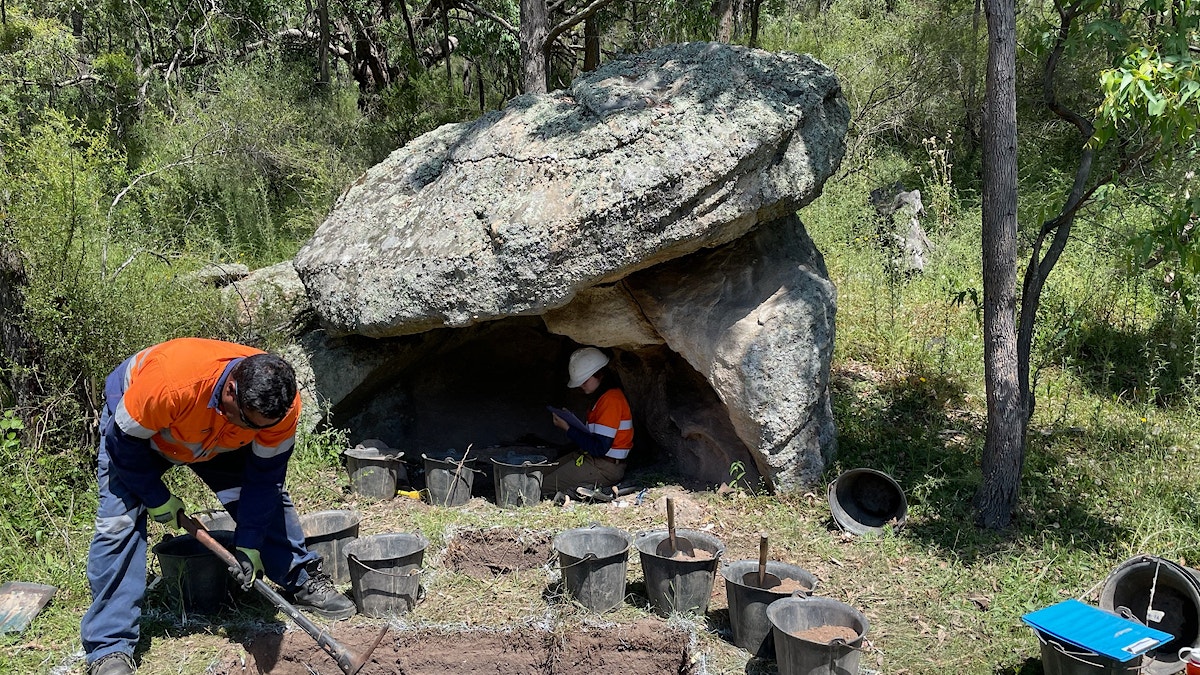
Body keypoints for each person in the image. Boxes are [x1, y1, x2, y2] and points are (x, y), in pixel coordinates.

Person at [81, 338, 355, 675]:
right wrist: (155, 497)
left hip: (216, 439)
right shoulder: (171, 383)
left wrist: (251, 543)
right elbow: (120, 442)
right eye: (245, 420)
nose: (250, 430)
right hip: (140, 434)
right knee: (118, 524)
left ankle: (299, 578)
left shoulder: (278, 410)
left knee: (266, 502)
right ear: (231, 388)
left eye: (257, 427)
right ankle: (109, 649)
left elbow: (264, 479)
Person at [542, 347, 634, 498]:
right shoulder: (601, 399)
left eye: (585, 380)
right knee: (537, 474)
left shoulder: (611, 400)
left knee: (539, 485)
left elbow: (599, 448)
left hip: (605, 467)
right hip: (592, 459)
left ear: (599, 374)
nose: (581, 385)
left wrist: (567, 428)